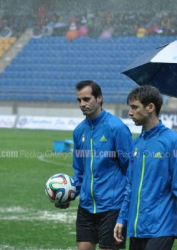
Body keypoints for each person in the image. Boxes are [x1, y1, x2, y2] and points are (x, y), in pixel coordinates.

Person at [114, 85, 177, 250]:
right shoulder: (136, 143)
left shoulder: (173, 142)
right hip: (137, 227)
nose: (130, 112)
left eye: (134, 107)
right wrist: (121, 218)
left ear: (150, 107)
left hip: (162, 226)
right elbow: (130, 186)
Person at [56, 80, 132, 250]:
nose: (82, 104)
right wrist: (69, 195)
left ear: (99, 98)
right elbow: (80, 173)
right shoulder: (79, 131)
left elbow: (130, 170)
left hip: (112, 208)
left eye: (86, 99)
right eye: (79, 100)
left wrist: (126, 207)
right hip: (86, 207)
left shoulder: (116, 128)